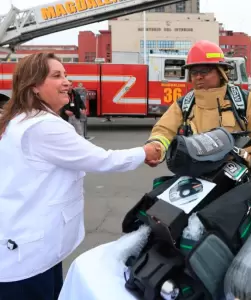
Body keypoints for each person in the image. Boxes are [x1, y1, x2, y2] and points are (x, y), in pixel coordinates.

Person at [0, 52, 161, 300]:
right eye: (56, 76)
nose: (67, 81)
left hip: (28, 245)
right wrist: (145, 152)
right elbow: (102, 160)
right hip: (29, 256)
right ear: (34, 87)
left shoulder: (19, 119)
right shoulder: (44, 126)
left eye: (65, 74)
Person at [145, 40, 251, 171]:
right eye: (194, 72)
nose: (198, 77)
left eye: (204, 71)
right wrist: (156, 146)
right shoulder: (184, 104)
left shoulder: (244, 100)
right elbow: (164, 130)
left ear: (221, 72)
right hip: (196, 175)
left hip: (238, 179)